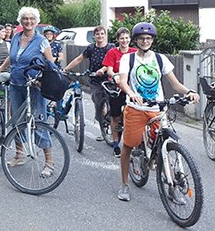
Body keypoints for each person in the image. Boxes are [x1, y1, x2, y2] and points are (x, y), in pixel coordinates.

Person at [116, 22, 199, 202]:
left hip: (157, 110)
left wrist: (189, 92)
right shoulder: (128, 59)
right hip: (136, 108)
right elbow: (123, 81)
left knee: (165, 144)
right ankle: (124, 184)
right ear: (136, 40)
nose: (145, 41)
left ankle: (171, 186)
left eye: (148, 38)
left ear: (152, 40)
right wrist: (131, 93)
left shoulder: (160, 59)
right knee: (129, 146)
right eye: (141, 38)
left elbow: (175, 84)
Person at [0, 7, 56, 176]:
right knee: (17, 121)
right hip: (16, 83)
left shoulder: (42, 41)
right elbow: (11, 57)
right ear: (21, 21)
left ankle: (49, 161)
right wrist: (0, 69)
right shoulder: (16, 38)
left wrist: (45, 81)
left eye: (31, 19)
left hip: (34, 86)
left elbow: (50, 64)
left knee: (39, 120)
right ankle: (19, 154)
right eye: (25, 19)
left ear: (36, 21)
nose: (28, 21)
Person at [64, 25, 114, 141]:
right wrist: (66, 69)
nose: (100, 36)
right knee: (98, 104)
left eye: (102, 34)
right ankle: (103, 130)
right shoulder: (91, 48)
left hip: (109, 80)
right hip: (95, 80)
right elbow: (79, 59)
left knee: (112, 104)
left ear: (105, 35)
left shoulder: (111, 48)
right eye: (97, 34)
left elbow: (112, 62)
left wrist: (103, 70)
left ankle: (112, 127)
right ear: (94, 36)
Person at [101, 27, 137, 157]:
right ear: (117, 40)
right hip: (116, 86)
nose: (124, 40)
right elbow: (109, 69)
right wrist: (115, 76)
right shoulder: (112, 53)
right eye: (122, 38)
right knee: (115, 116)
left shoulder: (135, 52)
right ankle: (116, 144)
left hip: (131, 87)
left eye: (127, 38)